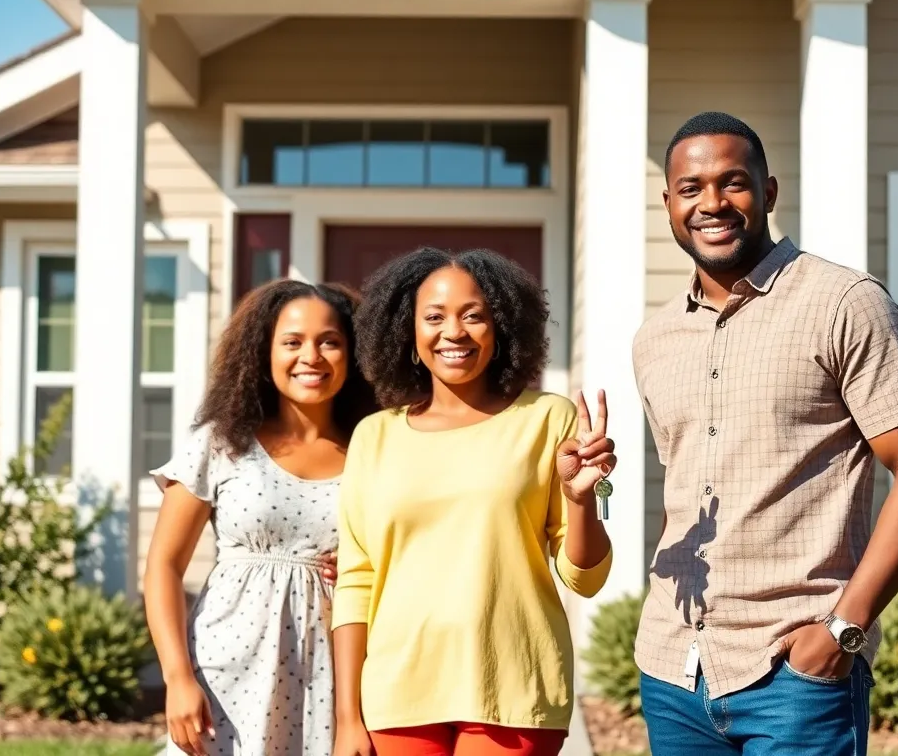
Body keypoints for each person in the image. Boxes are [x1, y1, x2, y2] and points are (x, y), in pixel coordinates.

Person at [631, 111, 898, 756]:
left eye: (734, 183)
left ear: (769, 192)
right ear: (668, 202)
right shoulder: (655, 339)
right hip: (673, 670)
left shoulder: (845, 303)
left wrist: (845, 628)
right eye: (691, 189)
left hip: (795, 674)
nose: (713, 203)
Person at [331, 247, 616, 756]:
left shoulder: (548, 421)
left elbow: (585, 579)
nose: (454, 332)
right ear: (409, 333)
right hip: (398, 695)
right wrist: (347, 718)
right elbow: (356, 580)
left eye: (473, 315)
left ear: (501, 327)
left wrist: (579, 500)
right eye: (434, 317)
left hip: (513, 686)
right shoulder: (374, 436)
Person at [144, 279, 377, 756]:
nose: (310, 356)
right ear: (263, 354)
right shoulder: (223, 443)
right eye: (291, 342)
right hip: (226, 668)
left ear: (352, 355)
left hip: (335, 677)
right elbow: (163, 567)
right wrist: (177, 678)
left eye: (329, 342)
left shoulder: (375, 451)